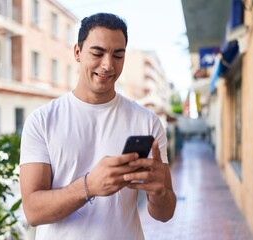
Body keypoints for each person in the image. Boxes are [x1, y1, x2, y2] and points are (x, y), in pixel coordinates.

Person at [19, 12, 176, 240]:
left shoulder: (147, 121)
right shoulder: (42, 121)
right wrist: (88, 186)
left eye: (118, 55)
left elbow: (165, 214)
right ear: (77, 52)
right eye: (97, 53)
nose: (108, 65)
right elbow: (33, 211)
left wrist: (159, 191)